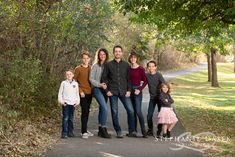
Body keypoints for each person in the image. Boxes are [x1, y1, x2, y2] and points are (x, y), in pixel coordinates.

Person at [101, 45, 136, 138]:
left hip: (124, 92)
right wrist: (107, 91)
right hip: (113, 92)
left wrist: (129, 90)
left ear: (122, 53)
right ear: (113, 53)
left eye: (119, 51)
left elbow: (129, 79)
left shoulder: (126, 65)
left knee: (131, 111)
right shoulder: (108, 65)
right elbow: (104, 79)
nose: (118, 53)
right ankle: (118, 131)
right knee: (114, 112)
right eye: (116, 51)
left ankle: (132, 131)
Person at [89, 48, 111, 138]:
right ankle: (103, 128)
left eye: (104, 54)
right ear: (98, 56)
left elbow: (110, 78)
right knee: (105, 108)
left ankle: (100, 130)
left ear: (106, 55)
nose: (102, 56)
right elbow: (91, 79)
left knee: (102, 109)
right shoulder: (95, 66)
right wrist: (99, 85)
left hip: (105, 90)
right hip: (97, 89)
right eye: (100, 54)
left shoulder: (108, 66)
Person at [128, 52, 148, 138]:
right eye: (131, 58)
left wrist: (139, 89)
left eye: (134, 58)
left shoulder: (141, 69)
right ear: (129, 59)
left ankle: (144, 131)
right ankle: (133, 131)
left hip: (137, 91)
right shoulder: (128, 69)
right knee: (131, 112)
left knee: (138, 111)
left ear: (136, 59)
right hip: (129, 90)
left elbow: (145, 81)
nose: (133, 59)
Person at [74, 52, 93, 139]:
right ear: (82, 59)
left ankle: (85, 129)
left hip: (90, 93)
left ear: (89, 59)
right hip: (82, 93)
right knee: (84, 110)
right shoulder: (78, 69)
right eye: (84, 58)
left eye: (87, 58)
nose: (85, 60)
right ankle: (83, 132)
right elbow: (74, 82)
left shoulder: (91, 68)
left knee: (87, 111)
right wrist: (80, 91)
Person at [58, 70, 80, 139]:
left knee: (71, 118)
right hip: (66, 103)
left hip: (73, 104)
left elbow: (77, 94)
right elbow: (60, 94)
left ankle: (70, 132)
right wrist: (62, 102)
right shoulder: (63, 83)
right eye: (67, 74)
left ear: (73, 75)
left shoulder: (76, 84)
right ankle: (64, 133)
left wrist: (77, 102)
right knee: (65, 118)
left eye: (70, 74)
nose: (69, 75)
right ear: (66, 76)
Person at [146, 60, 165, 137]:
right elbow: (142, 81)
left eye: (153, 66)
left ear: (155, 67)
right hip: (152, 98)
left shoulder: (159, 75)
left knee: (160, 115)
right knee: (149, 115)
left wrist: (165, 97)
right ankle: (150, 130)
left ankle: (159, 131)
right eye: (149, 66)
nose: (151, 68)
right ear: (148, 67)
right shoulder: (146, 75)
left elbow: (164, 85)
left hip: (160, 98)